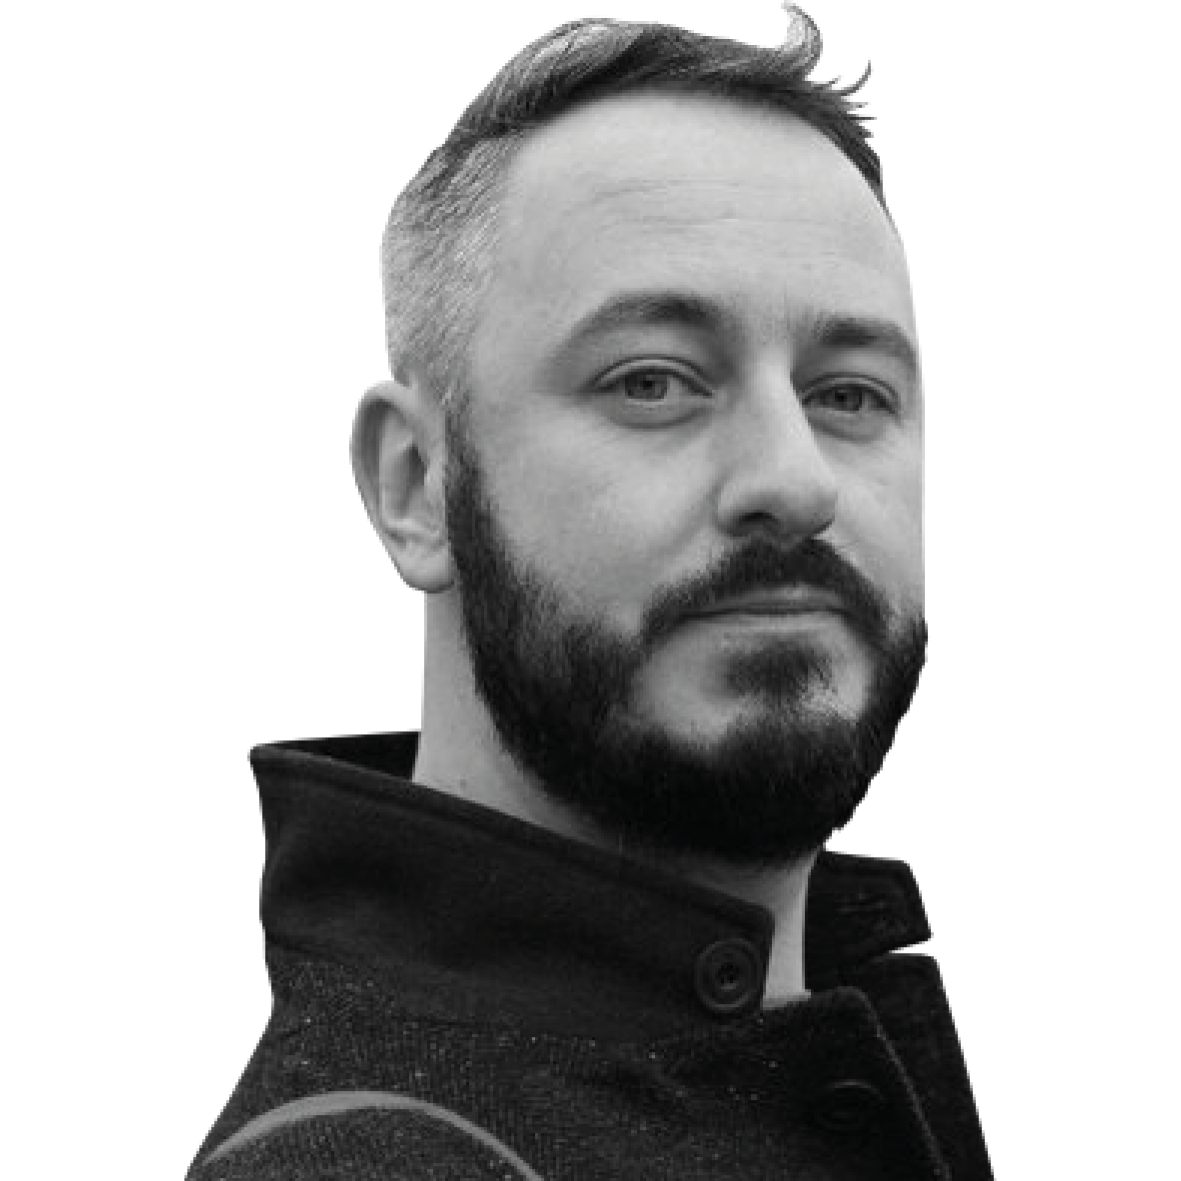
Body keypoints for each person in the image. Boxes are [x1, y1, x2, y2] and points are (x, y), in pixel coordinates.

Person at [188, 12, 992, 1179]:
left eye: (850, 394)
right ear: (417, 485)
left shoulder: (829, 1028)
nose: (794, 480)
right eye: (653, 380)